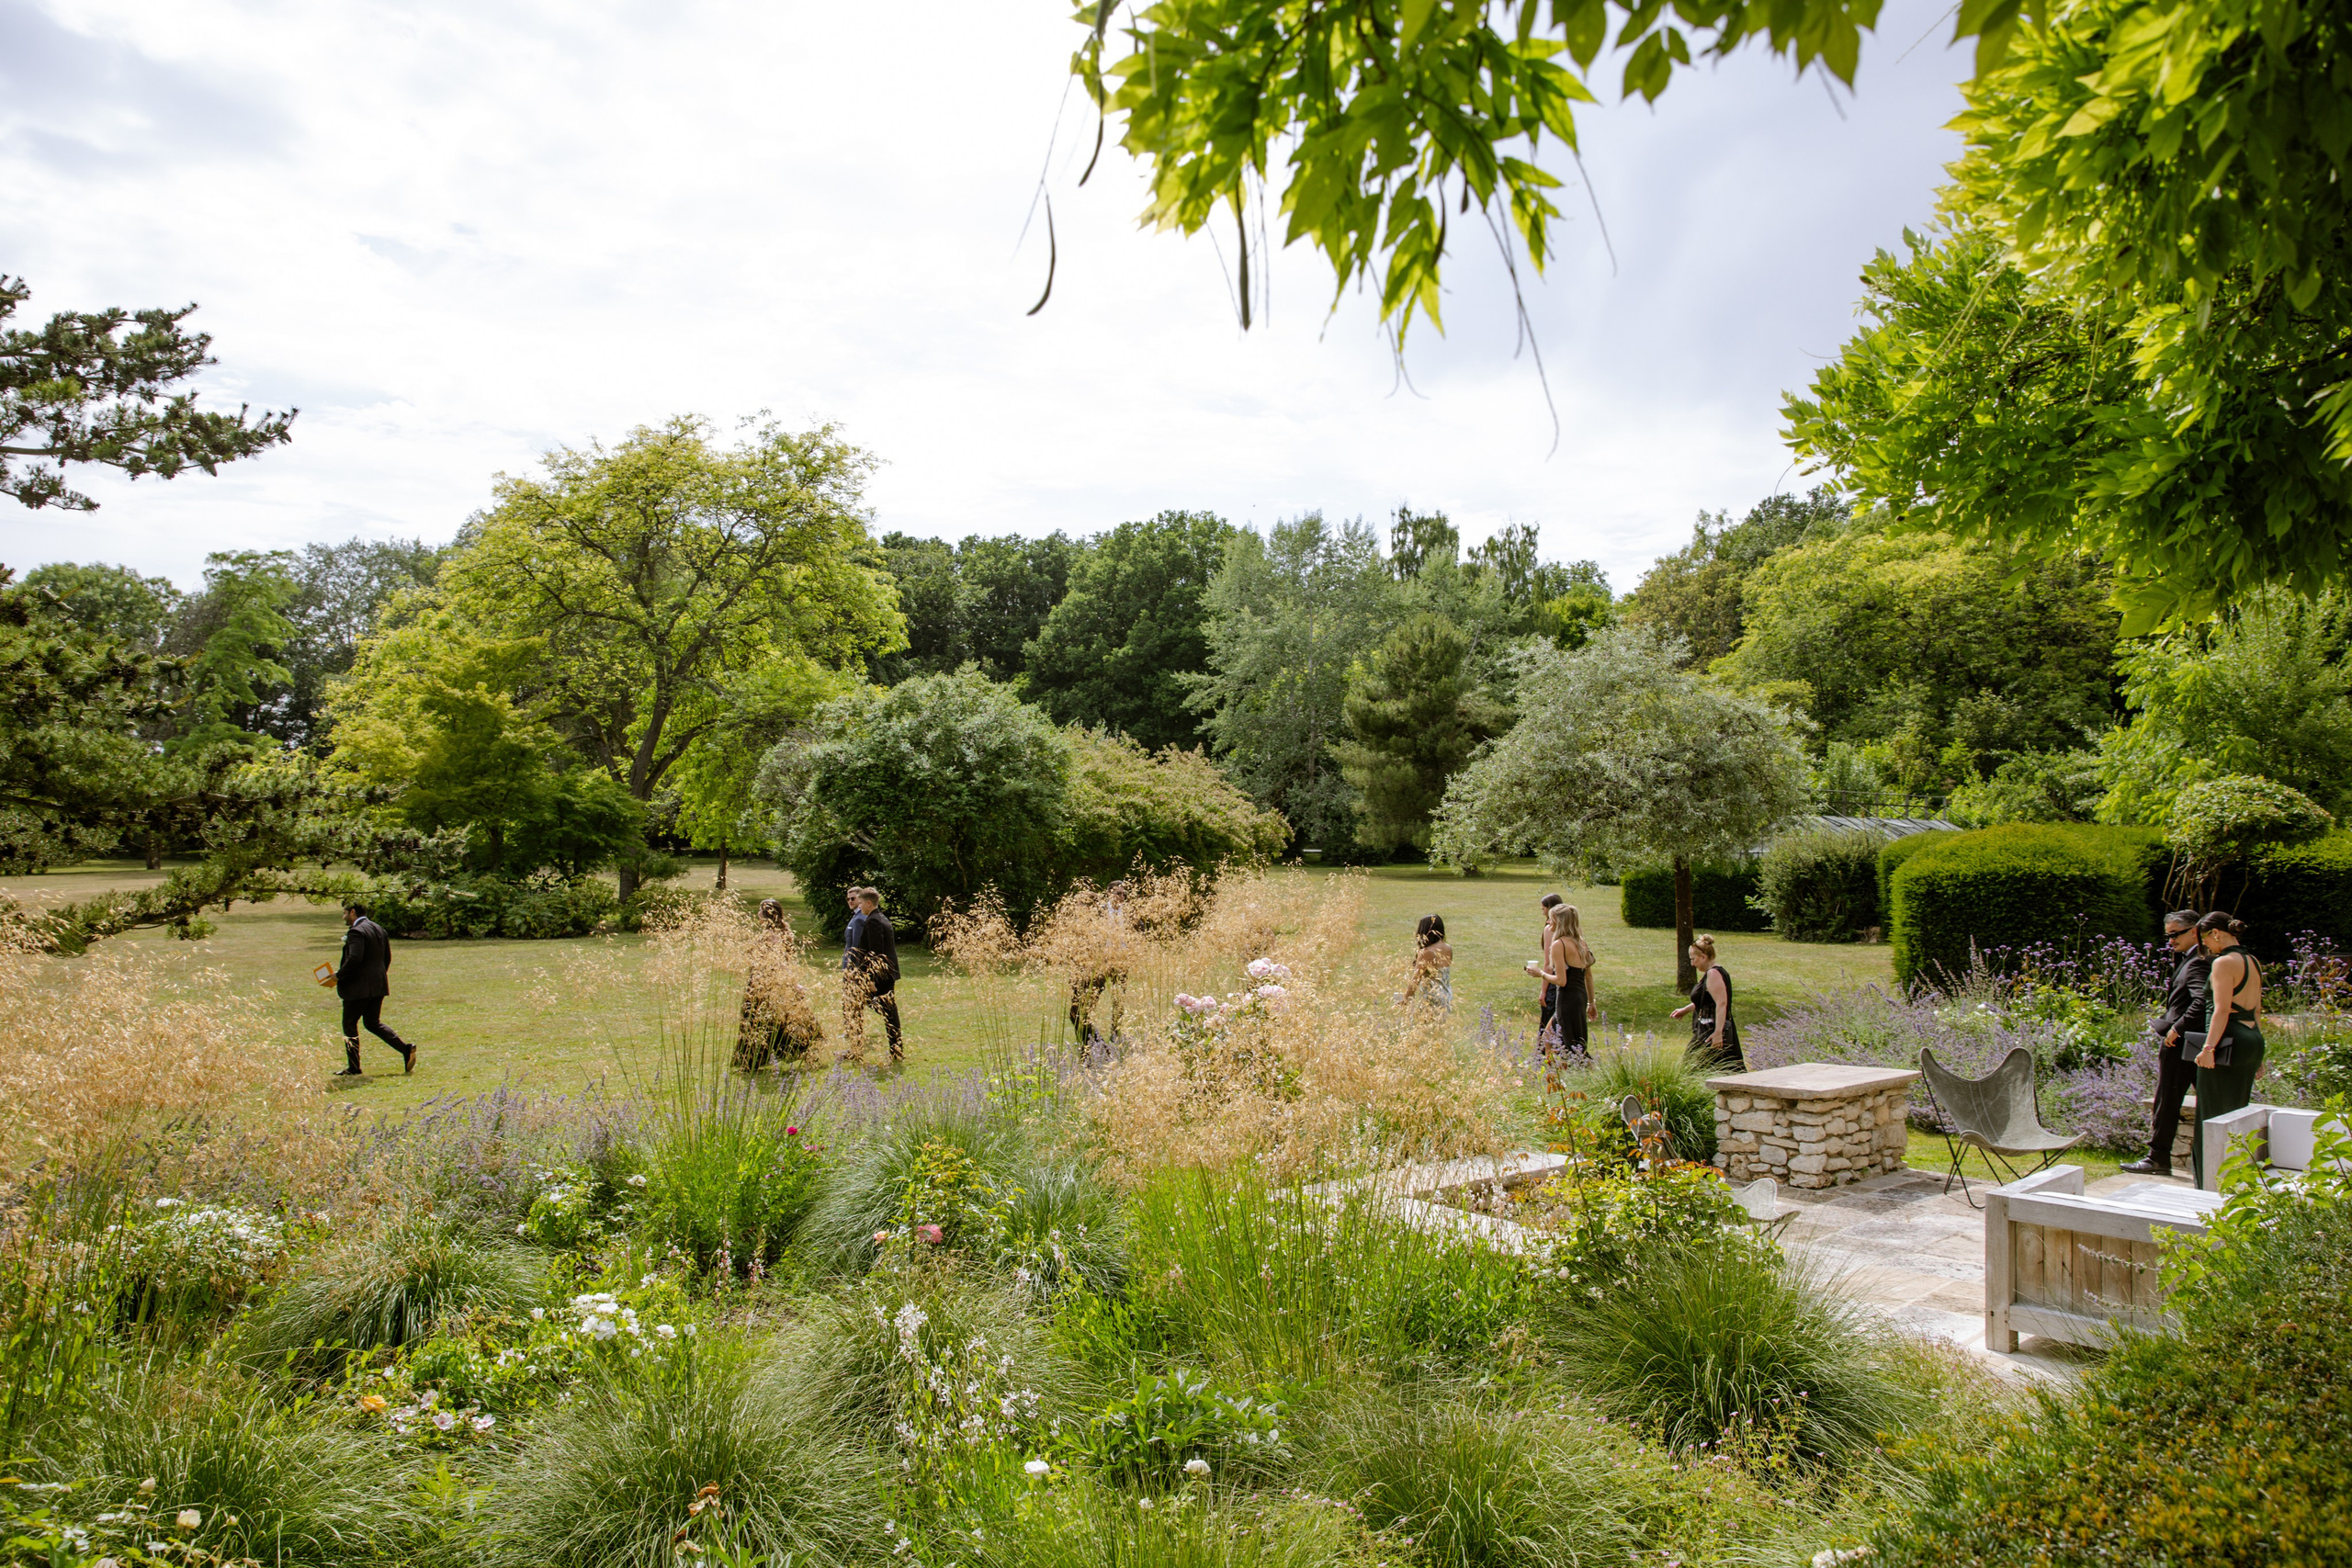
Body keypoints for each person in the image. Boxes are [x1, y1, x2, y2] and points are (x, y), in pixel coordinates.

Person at [2122, 910, 2209, 1176]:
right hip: (2188, 1042)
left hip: (2183, 1043)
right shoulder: (2190, 958)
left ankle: (2158, 1158)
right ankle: (2165, 1158)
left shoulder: (2198, 962)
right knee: (2181, 1099)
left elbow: (2201, 1002)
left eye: (2175, 934)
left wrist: (2177, 1028)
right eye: (2167, 935)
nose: (2170, 941)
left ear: (2194, 932)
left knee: (2167, 1099)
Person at [2190, 911, 2266, 1187]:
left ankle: (2209, 1183)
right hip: (2251, 1039)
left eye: (2205, 940)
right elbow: (2257, 1009)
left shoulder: (2223, 963)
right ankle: (2237, 1179)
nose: (2206, 946)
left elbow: (2221, 1010)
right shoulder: (2253, 961)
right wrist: (2260, 1055)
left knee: (2211, 1113)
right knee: (2237, 1111)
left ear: (2216, 933)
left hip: (2227, 1040)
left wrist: (2209, 1048)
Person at [326, 900, 413, 1077]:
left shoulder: (356, 932)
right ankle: (406, 1049)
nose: (343, 917)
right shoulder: (379, 929)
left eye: (344, 913)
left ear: (352, 912)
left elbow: (354, 958)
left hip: (359, 989)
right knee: (372, 1023)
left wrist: (338, 975)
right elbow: (386, 958)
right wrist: (378, 977)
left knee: (349, 1024)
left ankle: (354, 1067)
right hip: (378, 985)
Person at [737, 898, 820, 1071]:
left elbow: (780, 961)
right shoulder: (773, 931)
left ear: (767, 913)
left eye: (760, 910)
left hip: (766, 982)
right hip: (760, 979)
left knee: (760, 1019)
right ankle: (753, 1060)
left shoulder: (772, 935)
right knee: (764, 1019)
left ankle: (754, 1060)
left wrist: (793, 984)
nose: (757, 913)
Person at [842, 886, 904, 1065]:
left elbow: (876, 953)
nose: (859, 907)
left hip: (881, 976)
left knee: (884, 1012)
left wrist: (870, 980)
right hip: (885, 974)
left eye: (861, 903)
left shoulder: (874, 921)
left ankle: (861, 1050)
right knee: (886, 1012)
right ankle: (893, 1050)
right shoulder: (880, 918)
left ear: (869, 903)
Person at [1069, 880, 1132, 1051]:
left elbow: (1140, 931)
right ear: (1109, 894)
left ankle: (1115, 1036)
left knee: (1119, 1002)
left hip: (1121, 962)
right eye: (1118, 893)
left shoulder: (1129, 914)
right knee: (1088, 1003)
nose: (1122, 897)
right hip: (1100, 964)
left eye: (1124, 894)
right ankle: (1094, 1045)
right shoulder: (1100, 912)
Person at [1528, 904, 1596, 1056]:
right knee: (1548, 1037)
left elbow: (1561, 981)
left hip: (1567, 999)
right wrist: (1591, 1003)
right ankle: (1553, 1078)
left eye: (1551, 920)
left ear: (1559, 922)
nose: (1548, 923)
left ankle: (1590, 1073)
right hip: (1580, 997)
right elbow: (1588, 976)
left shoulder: (1560, 945)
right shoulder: (1581, 942)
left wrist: (1540, 974)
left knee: (1572, 1046)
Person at [1671, 935, 1741, 1070]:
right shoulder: (1712, 973)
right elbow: (1707, 1001)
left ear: (1703, 956)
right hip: (1707, 1030)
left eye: (1693, 959)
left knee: (1694, 1069)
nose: (1692, 964)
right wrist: (1686, 1009)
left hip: (1711, 1031)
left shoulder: (1714, 974)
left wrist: (1718, 1033)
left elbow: (1721, 1004)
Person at [1403, 914, 1453, 1009]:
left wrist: (1405, 1000)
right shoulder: (1448, 948)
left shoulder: (1427, 952)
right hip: (1446, 997)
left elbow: (1415, 980)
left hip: (1432, 1000)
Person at [1533, 892, 1564, 1038]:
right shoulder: (1571, 928)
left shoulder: (1550, 929)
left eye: (1543, 909)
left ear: (1550, 909)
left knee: (1549, 1021)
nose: (1542, 913)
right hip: (1570, 980)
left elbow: (1548, 964)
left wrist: (1543, 991)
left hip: (1554, 981)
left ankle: (1542, 1056)